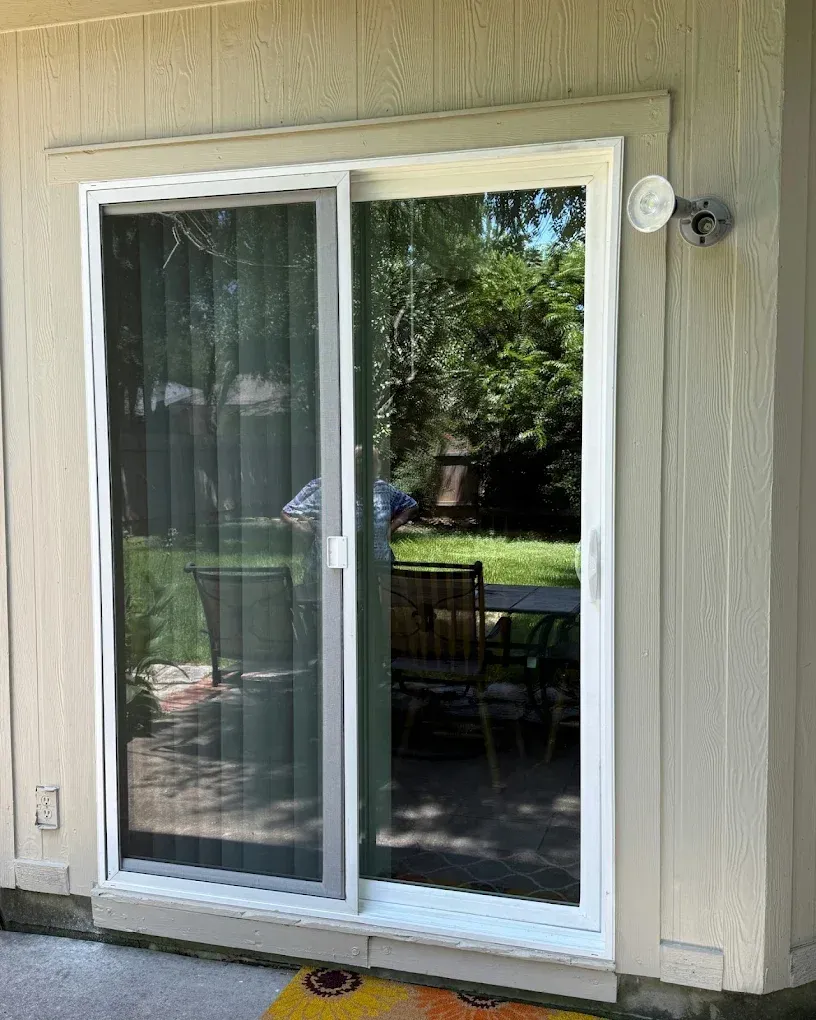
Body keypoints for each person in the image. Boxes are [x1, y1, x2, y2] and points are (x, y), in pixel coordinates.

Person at [281, 453, 417, 580]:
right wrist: (304, 530)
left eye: (368, 461)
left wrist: (391, 527)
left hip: (377, 567)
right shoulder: (325, 487)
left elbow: (411, 505)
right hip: (331, 567)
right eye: (358, 461)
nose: (361, 466)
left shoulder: (383, 489)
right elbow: (288, 512)